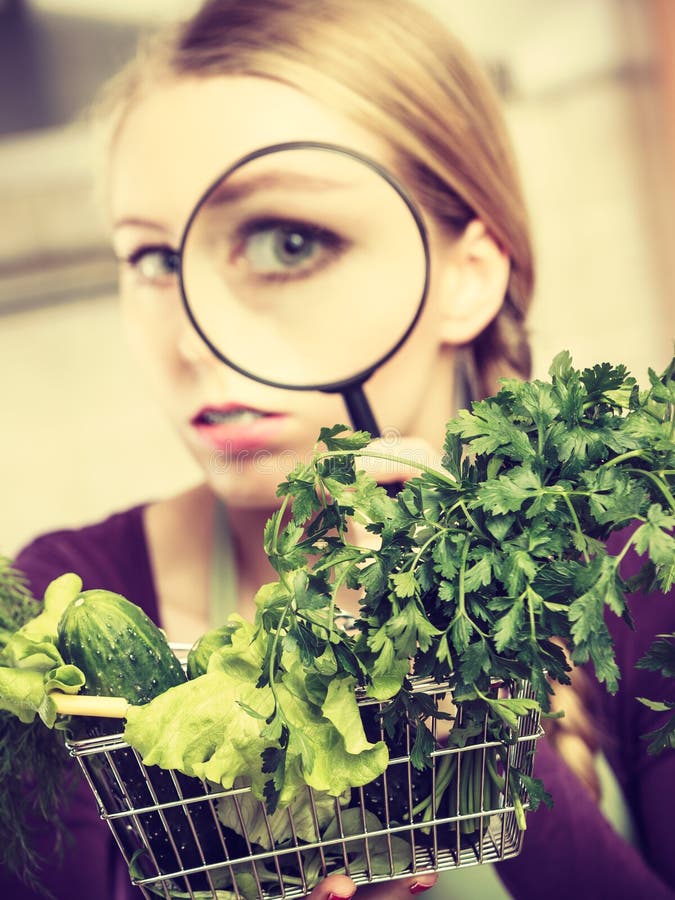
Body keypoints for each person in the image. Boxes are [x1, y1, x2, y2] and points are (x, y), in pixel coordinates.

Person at [3, 1, 673, 899]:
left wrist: (473, 724)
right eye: (157, 262)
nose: (195, 338)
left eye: (289, 240)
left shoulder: (630, 575)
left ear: (467, 277)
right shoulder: (62, 629)